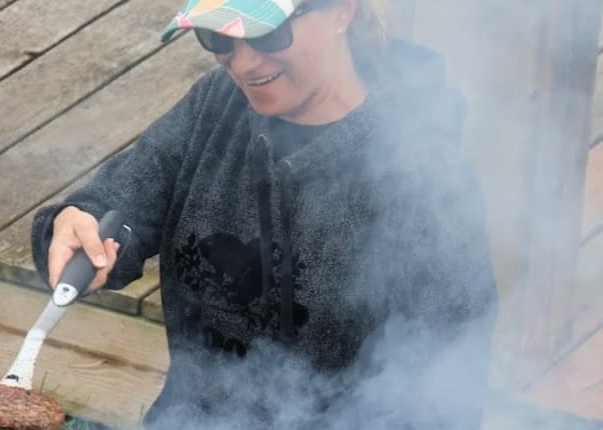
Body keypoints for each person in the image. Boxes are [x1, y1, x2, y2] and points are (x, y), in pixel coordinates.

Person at [30, 0, 498, 428]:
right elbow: (123, 201)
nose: (244, 63)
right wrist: (79, 224)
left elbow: (440, 396)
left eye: (267, 34)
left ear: (342, 12)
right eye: (219, 38)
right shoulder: (216, 105)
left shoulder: (422, 178)